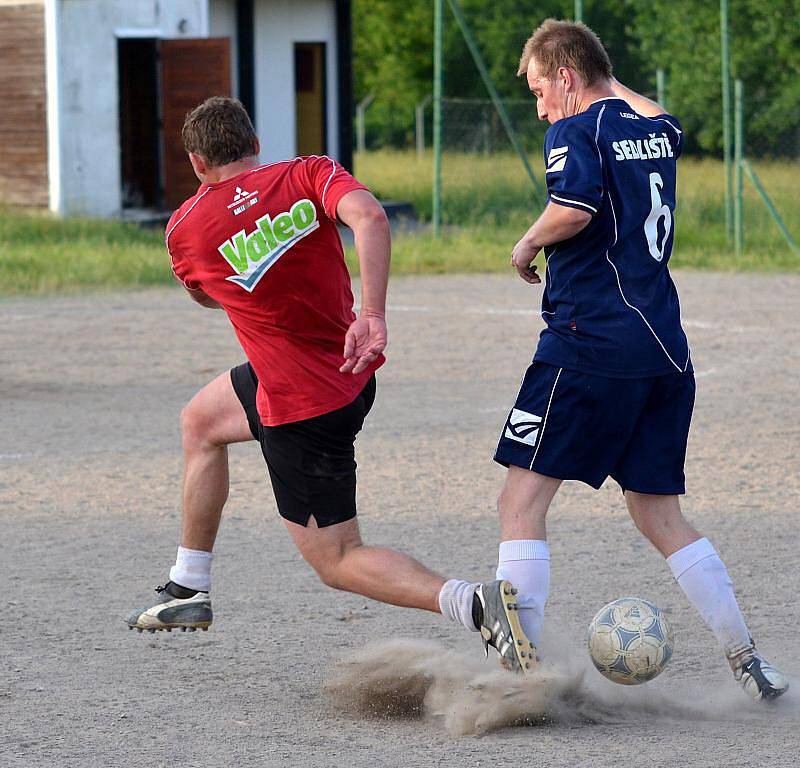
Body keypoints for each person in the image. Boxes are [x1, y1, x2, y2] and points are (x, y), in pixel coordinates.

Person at [125, 97, 534, 673]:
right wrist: (373, 314)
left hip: (302, 407)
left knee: (338, 560)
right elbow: (370, 216)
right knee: (201, 422)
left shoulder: (185, 228)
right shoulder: (308, 172)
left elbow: (200, 293)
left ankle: (473, 604)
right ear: (255, 143)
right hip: (347, 366)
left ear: (196, 162)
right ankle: (188, 588)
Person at [493, 19, 788, 700]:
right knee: (659, 511)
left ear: (565, 77)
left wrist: (526, 242)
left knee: (521, 498)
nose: (540, 108)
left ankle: (520, 679)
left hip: (589, 342)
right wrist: (603, 77)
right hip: (663, 350)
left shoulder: (573, 131)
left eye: (541, 89)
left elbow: (572, 206)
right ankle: (747, 659)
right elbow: (658, 116)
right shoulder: (649, 131)